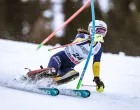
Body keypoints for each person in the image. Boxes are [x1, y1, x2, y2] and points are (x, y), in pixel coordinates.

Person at [25, 20, 107, 92]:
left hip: (68, 66)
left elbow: (96, 65)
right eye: (99, 31)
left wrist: (97, 79)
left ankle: (50, 82)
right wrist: (87, 40)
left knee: (74, 74)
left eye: (103, 32)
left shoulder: (98, 48)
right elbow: (77, 41)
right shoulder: (82, 36)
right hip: (60, 58)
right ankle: (30, 77)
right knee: (52, 71)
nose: (101, 34)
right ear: (92, 30)